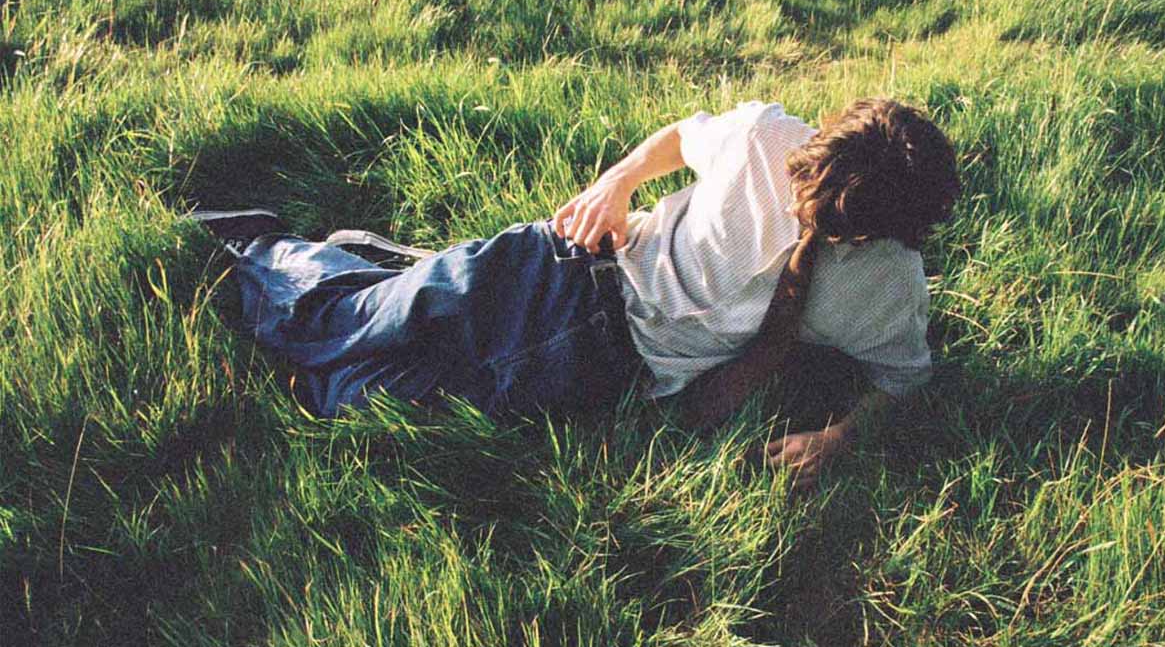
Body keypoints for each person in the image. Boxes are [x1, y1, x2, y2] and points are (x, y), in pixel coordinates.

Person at [193, 98, 959, 488]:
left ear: (885, 235)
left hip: (609, 362)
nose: (795, 215)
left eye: (824, 226)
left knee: (354, 397)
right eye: (799, 191)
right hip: (568, 265)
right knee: (357, 322)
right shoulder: (769, 138)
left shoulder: (886, 284)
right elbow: (680, 138)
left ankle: (364, 263)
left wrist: (838, 436)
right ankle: (251, 242)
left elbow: (906, 378)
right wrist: (618, 181)